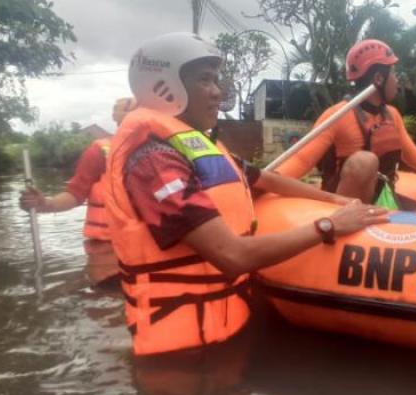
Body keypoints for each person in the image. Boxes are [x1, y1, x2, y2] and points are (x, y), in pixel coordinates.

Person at [104, 32, 388, 356]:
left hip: (222, 335)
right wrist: (329, 225)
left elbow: (264, 178)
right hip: (179, 360)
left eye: (216, 80)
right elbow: (232, 256)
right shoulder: (154, 161)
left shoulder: (195, 146)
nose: (217, 92)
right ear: (164, 86)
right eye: (204, 81)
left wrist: (335, 201)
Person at [275, 39, 416, 207]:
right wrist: (263, 181)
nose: (397, 80)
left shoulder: (392, 115)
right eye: (394, 73)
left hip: (381, 199)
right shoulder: (337, 115)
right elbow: (301, 160)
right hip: (344, 207)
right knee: (364, 161)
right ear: (379, 78)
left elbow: (414, 157)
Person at [19, 97, 136, 285]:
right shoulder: (99, 152)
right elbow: (75, 194)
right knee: (105, 307)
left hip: (150, 251)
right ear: (119, 120)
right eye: (132, 116)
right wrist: (44, 204)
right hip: (106, 252)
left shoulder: (168, 151)